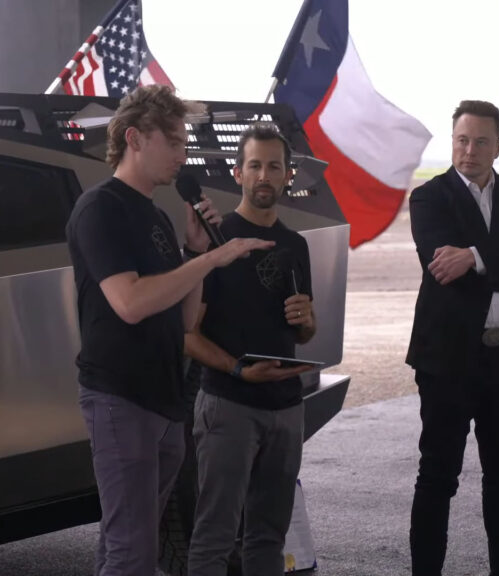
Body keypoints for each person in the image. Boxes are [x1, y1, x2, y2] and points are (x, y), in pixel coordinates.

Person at [65, 85, 274, 576]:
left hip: (163, 398)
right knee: (132, 553)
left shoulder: (157, 215)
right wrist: (218, 256)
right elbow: (132, 303)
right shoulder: (102, 209)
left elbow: (182, 320)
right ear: (136, 138)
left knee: (132, 546)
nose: (184, 155)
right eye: (175, 142)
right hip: (120, 398)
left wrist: (200, 254)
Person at [406, 100, 499, 576]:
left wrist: (472, 255)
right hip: (447, 361)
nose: (469, 151)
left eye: (481, 142)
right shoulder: (429, 198)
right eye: (461, 140)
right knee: (437, 478)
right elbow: (443, 265)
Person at [184, 122, 317, 576]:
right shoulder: (215, 242)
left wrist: (308, 322)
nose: (264, 175)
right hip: (228, 405)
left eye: (273, 167)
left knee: (269, 539)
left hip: (286, 407)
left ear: (287, 176)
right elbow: (187, 334)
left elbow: (302, 334)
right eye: (255, 166)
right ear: (238, 173)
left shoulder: (296, 245)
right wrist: (239, 371)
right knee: (215, 537)